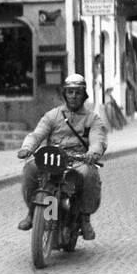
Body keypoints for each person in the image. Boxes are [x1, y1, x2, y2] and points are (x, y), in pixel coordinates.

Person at [16, 73, 107, 240]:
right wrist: (27, 148)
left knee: (88, 174)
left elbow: (97, 139)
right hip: (54, 157)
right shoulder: (53, 115)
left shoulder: (92, 119)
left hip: (79, 159)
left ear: (84, 94)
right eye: (70, 92)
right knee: (30, 168)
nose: (73, 96)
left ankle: (85, 218)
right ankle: (31, 211)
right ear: (64, 94)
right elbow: (37, 134)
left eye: (77, 92)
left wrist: (93, 153)